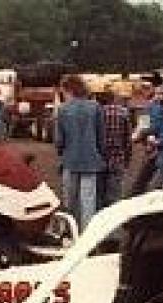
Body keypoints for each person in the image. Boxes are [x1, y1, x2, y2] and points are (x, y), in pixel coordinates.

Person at [54, 74, 106, 229]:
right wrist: (100, 154)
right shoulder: (95, 107)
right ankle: (87, 232)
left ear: (68, 89)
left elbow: (59, 139)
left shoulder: (63, 109)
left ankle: (70, 230)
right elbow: (101, 136)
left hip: (70, 160)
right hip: (92, 159)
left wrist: (61, 153)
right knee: (88, 200)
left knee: (70, 200)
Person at [95, 78, 133, 209]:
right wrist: (127, 159)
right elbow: (127, 140)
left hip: (100, 160)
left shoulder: (96, 113)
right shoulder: (123, 112)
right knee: (115, 196)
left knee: (99, 195)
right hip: (117, 158)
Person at [128, 71, 163, 196]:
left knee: (139, 187)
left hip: (157, 152)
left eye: (146, 87)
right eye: (142, 87)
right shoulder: (151, 106)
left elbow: (151, 127)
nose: (143, 91)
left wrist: (137, 136)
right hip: (153, 151)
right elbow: (144, 125)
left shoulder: (156, 106)